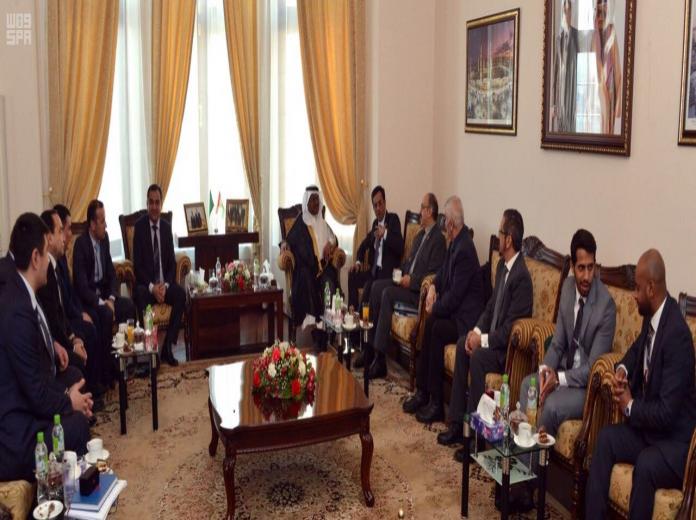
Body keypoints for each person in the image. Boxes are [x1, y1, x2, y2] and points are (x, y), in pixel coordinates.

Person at [586, 249, 696, 519]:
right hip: (650, 432)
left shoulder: (677, 336)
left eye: (637, 288)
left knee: (646, 465)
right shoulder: (652, 317)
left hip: (674, 443)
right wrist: (622, 370)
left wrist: (630, 406)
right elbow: (635, 351)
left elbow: (667, 413)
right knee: (606, 439)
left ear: (651, 288)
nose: (633, 294)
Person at [0, 213, 92, 482]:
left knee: (74, 415)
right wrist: (69, 401)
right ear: (35, 258)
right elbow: (36, 392)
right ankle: (70, 499)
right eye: (45, 249)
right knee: (76, 426)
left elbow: (36, 379)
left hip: (23, 409)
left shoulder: (18, 291)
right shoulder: (17, 311)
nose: (48, 260)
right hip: (14, 437)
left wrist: (67, 396)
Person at [443, 209, 533, 461]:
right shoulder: (503, 267)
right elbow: (490, 308)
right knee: (463, 343)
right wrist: (475, 332)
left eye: (501, 232)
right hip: (491, 341)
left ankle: (475, 440)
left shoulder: (522, 279)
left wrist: (482, 341)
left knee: (478, 357)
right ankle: (457, 425)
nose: (498, 236)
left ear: (509, 240)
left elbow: (509, 332)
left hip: (506, 353)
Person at [518, 229, 615, 436]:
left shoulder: (606, 306)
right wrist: (545, 372)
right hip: (562, 373)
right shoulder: (569, 289)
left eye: (591, 267)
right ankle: (525, 449)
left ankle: (534, 457)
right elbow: (558, 344)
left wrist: (559, 379)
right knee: (528, 386)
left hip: (584, 389)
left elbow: (592, 369)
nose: (587, 276)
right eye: (581, 268)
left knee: (551, 405)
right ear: (572, 266)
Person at [403, 196, 484, 423]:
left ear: (450, 223)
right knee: (432, 324)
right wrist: (433, 287)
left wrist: (434, 307)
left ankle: (436, 402)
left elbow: (455, 297)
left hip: (465, 320)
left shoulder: (465, 248)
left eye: (444, 220)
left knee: (436, 327)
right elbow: (442, 273)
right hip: (456, 313)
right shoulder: (455, 242)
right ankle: (423, 392)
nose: (443, 224)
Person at [365, 192, 446, 379]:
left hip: (417, 293)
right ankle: (371, 351)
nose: (420, 210)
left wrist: (412, 281)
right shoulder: (420, 236)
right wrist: (400, 274)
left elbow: (434, 276)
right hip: (405, 283)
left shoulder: (438, 240)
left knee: (386, 293)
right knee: (376, 287)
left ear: (429, 211)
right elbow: (408, 263)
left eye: (422, 207)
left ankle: (380, 358)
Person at [73, 199, 136, 382]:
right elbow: (81, 286)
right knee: (105, 314)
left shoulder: (105, 239)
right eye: (102, 221)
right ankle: (107, 371)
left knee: (129, 306)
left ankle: (124, 361)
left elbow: (111, 274)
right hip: (89, 300)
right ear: (92, 225)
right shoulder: (81, 245)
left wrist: (112, 298)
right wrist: (103, 303)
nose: (106, 225)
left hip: (105, 296)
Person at [132, 184, 186, 366]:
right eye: (151, 203)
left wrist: (165, 286)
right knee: (139, 294)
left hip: (164, 286)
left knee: (180, 295)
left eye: (157, 203)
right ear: (147, 204)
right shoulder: (139, 227)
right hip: (148, 287)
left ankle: (167, 348)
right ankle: (150, 350)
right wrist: (153, 288)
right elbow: (137, 266)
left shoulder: (166, 227)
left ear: (161, 204)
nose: (154, 207)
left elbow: (171, 263)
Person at [282, 186, 340, 335]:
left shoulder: (322, 222)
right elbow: (288, 240)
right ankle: (315, 324)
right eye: (312, 199)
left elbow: (334, 238)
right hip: (307, 268)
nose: (316, 203)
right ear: (306, 202)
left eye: (317, 199)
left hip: (323, 267)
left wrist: (330, 244)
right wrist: (284, 245)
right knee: (305, 279)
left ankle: (327, 326)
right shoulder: (301, 222)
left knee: (328, 284)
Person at [348, 185, 403, 313]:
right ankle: (352, 313)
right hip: (373, 272)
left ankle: (359, 320)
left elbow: (400, 246)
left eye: (380, 204)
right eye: (375, 205)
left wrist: (385, 234)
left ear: (385, 202)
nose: (378, 208)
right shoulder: (374, 224)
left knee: (369, 286)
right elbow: (363, 246)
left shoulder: (393, 219)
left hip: (386, 274)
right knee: (352, 275)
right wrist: (358, 262)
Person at [592, 0, 622, 135]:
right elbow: (597, 69)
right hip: (599, 89)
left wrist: (618, 102)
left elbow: (618, 71)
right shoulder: (594, 36)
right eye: (598, 12)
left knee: (608, 129)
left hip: (610, 89)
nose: (600, 17)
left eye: (603, 13)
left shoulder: (611, 32)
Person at [551, 0, 578, 133]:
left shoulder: (576, 35)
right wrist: (553, 103)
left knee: (570, 126)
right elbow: (555, 71)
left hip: (571, 88)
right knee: (559, 127)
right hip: (560, 92)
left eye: (569, 10)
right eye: (565, 11)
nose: (567, 14)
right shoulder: (558, 39)